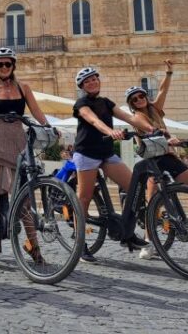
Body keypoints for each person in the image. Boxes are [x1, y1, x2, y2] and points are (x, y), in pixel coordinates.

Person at [0, 47, 51, 257]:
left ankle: (33, 246)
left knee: (24, 195)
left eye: (8, 64)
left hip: (17, 138)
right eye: (0, 64)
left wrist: (49, 126)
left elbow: (36, 111)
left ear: (13, 66)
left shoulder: (24, 88)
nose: (4, 67)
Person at [72, 66, 153, 263]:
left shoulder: (106, 103)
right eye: (87, 81)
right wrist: (109, 131)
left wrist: (153, 129)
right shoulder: (81, 103)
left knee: (134, 188)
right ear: (82, 86)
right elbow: (92, 120)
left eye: (94, 79)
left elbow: (129, 117)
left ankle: (127, 232)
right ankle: (80, 244)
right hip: (87, 153)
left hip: (106, 153)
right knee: (84, 198)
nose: (92, 82)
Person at [124, 60, 188, 259]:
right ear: (131, 105)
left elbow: (162, 91)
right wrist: (167, 136)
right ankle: (149, 243)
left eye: (141, 96)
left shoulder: (155, 109)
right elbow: (152, 130)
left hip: (170, 157)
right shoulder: (137, 117)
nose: (139, 99)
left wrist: (168, 72)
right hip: (153, 163)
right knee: (153, 204)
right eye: (134, 99)